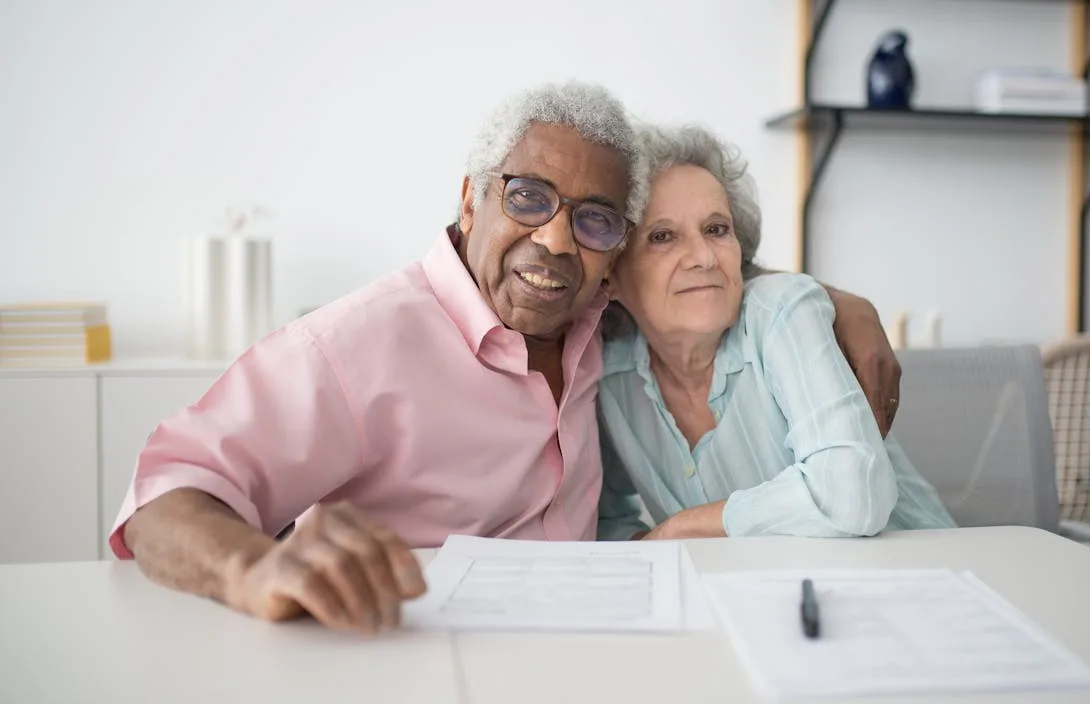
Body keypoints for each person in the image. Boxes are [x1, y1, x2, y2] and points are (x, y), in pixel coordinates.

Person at [110, 81, 902, 635]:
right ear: (470, 199)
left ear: (613, 251)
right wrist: (251, 570)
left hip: (599, 651)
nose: (554, 240)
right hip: (409, 657)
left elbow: (689, 271)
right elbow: (164, 496)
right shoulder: (358, 345)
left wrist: (825, 299)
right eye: (527, 197)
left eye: (593, 220)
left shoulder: (599, 321)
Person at [595, 123, 955, 541]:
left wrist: (681, 527)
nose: (703, 257)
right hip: (761, 583)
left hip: (922, 566)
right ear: (610, 275)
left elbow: (853, 497)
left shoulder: (782, 311)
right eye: (662, 237)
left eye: (716, 229)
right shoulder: (609, 375)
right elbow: (604, 521)